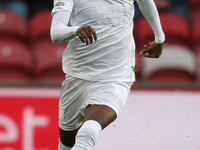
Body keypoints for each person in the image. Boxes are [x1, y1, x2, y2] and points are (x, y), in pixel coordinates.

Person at [50, 0, 165, 150]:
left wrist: (159, 38)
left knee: (88, 132)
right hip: (78, 75)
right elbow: (55, 32)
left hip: (116, 76)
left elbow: (144, 1)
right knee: (66, 145)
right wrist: (75, 30)